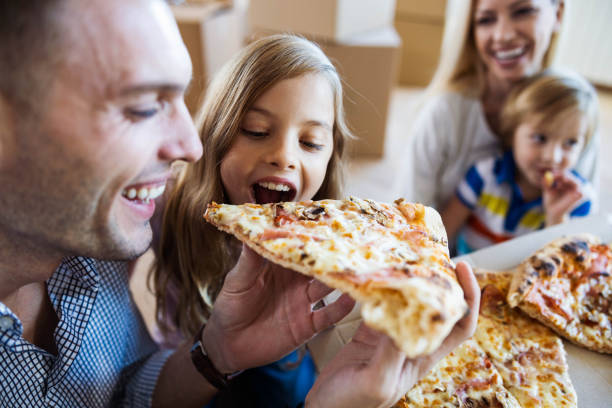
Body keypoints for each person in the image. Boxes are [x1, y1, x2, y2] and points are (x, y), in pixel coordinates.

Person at [0, 1, 479, 407]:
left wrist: (216, 355)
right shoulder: (133, 215)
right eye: (144, 106)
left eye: (312, 141)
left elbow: (129, 391)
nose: (192, 144)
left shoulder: (96, 240)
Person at [150, 34, 354, 407]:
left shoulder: (331, 236)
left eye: (309, 142)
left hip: (283, 360)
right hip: (186, 361)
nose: (284, 156)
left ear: (330, 158)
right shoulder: (169, 202)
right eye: (257, 131)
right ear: (216, 134)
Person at [399, 0, 599, 214]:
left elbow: (580, 225)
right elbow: (409, 218)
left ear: (558, 13)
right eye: (486, 19)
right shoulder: (443, 114)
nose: (503, 35)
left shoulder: (575, 108)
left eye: (523, 11)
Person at [441, 69, 598, 254]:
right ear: (512, 133)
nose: (552, 157)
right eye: (540, 138)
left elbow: (564, 273)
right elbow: (441, 232)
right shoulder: (484, 176)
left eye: (570, 143)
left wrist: (556, 219)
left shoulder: (580, 201)